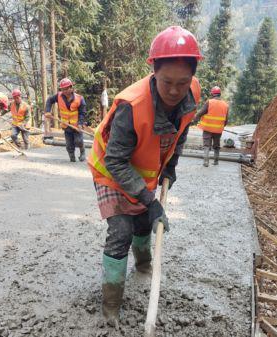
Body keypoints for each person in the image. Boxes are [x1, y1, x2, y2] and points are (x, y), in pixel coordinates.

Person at [87, 26, 202, 326]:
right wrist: (151, 201)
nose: (176, 91)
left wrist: (171, 166)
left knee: (142, 221)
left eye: (183, 82)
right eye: (167, 83)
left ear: (192, 76)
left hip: (143, 171)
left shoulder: (192, 94)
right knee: (122, 230)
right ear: (153, 71)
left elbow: (181, 132)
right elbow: (116, 160)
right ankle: (111, 306)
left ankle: (144, 266)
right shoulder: (132, 106)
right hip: (112, 170)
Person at [44, 78, 87, 162]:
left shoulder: (80, 98)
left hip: (76, 125)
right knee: (69, 145)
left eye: (67, 88)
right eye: (63, 89)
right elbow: (49, 100)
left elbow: (82, 112)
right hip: (66, 125)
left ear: (71, 88)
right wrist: (48, 111)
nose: (65, 91)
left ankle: (82, 152)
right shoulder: (58, 96)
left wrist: (80, 123)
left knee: (78, 141)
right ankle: (72, 157)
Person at [194, 86, 229, 166]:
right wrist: (221, 126)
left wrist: (195, 119)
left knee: (206, 145)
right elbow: (226, 120)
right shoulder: (225, 105)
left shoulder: (209, 102)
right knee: (216, 145)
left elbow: (200, 113)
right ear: (220, 94)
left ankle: (206, 162)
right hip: (218, 130)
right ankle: (216, 161)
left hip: (207, 128)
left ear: (212, 94)